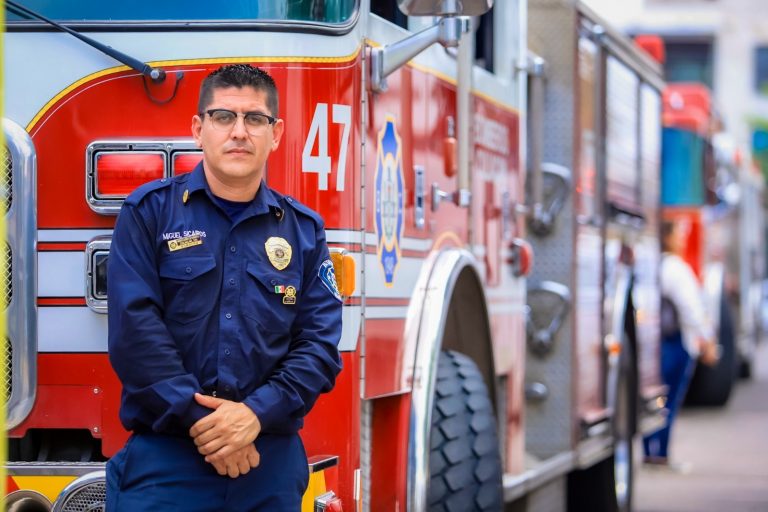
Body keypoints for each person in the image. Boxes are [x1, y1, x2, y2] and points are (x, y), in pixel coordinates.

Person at [106, 64, 343, 511]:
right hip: (167, 461)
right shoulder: (148, 214)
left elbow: (319, 348)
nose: (239, 132)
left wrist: (254, 415)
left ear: (275, 134)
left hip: (267, 463)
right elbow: (135, 335)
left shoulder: (305, 232)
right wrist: (209, 426)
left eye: (255, 119)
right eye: (223, 117)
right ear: (198, 129)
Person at [643, 218, 719, 468]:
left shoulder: (652, 265)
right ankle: (661, 453)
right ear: (667, 237)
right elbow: (691, 309)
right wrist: (707, 340)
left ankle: (649, 450)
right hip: (676, 344)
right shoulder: (676, 268)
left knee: (653, 399)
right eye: (678, 234)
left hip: (654, 343)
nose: (683, 239)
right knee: (670, 400)